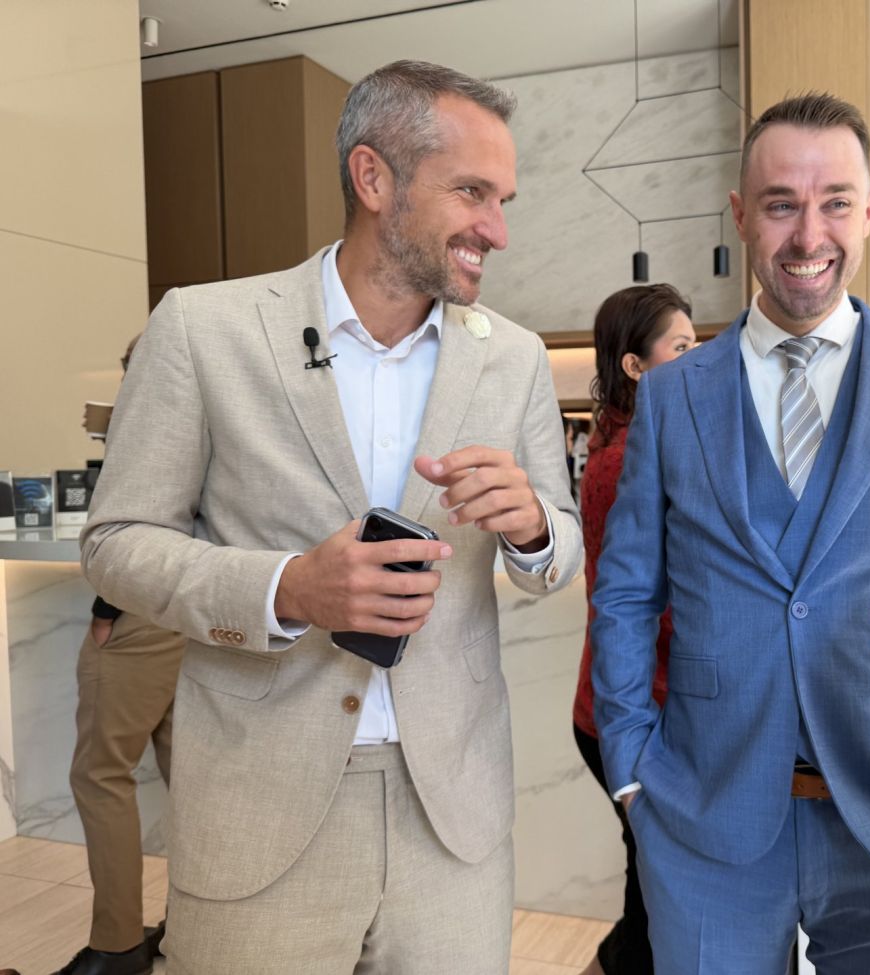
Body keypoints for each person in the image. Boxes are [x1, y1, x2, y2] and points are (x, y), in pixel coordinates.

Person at [81, 60, 581, 973]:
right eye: (472, 192)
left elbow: (561, 549)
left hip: (452, 819)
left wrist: (535, 528)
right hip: (259, 809)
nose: (498, 230)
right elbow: (117, 544)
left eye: (503, 199)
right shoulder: (203, 328)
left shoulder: (512, 358)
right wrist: (290, 588)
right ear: (373, 177)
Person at [590, 93, 870, 973]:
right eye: (781, 204)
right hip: (703, 811)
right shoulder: (673, 394)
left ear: (869, 209)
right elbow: (625, 591)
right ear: (741, 214)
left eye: (835, 202)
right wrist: (630, 767)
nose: (810, 235)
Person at [572, 284, 696, 975]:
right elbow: (658, 598)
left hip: (618, 703)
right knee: (656, 908)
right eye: (681, 347)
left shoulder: (620, 441)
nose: (696, 360)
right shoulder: (628, 461)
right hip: (633, 709)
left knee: (649, 898)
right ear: (635, 366)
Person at [55, 334, 184, 975]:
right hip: (202, 615)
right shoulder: (224, 406)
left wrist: (107, 611)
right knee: (189, 778)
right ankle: (189, 929)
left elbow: (133, 525)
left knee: (100, 775)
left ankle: (115, 947)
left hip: (142, 614)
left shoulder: (153, 418)